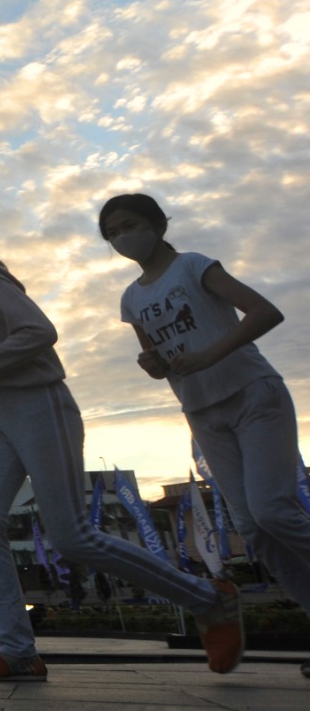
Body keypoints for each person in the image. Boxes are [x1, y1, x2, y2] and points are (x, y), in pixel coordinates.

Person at [0, 205, 244, 682]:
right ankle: (18, 652)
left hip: (41, 405)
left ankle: (210, 599)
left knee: (72, 535)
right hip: (2, 412)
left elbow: (40, 332)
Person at [99, 193, 310, 681]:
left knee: (273, 508)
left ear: (157, 223)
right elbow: (156, 359)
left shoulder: (194, 266)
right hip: (202, 412)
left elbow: (264, 311)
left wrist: (211, 355)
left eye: (128, 225)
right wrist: (151, 364)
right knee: (255, 529)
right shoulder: (132, 298)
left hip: (253, 395)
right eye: (111, 233)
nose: (120, 238)